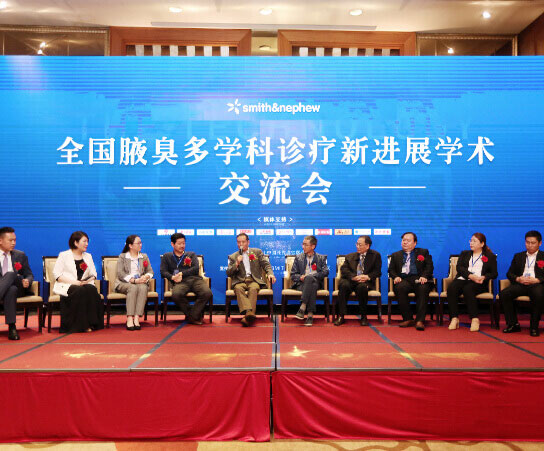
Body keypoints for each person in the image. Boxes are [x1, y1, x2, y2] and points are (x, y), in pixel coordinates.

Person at [53, 231, 104, 333]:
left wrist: (86, 281)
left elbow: (94, 274)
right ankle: (79, 326)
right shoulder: (64, 255)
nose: (87, 244)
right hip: (67, 285)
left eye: (87, 241)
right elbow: (57, 275)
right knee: (79, 290)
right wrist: (75, 282)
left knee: (91, 289)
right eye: (84, 241)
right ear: (76, 243)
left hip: (84, 284)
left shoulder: (88, 256)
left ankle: (92, 323)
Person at [447, 233, 497, 332]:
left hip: (478, 282)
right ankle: (454, 318)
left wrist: (484, 277)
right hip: (464, 278)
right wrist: (470, 275)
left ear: (482, 244)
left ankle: (474, 319)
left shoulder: (490, 256)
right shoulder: (464, 253)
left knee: (468, 289)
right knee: (452, 288)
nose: (471, 243)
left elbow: (494, 273)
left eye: (474, 241)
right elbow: (459, 268)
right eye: (471, 241)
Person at [160, 233, 212, 325]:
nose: (182, 246)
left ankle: (192, 316)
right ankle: (194, 315)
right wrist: (172, 277)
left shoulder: (191, 254)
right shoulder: (167, 256)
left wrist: (182, 273)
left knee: (207, 293)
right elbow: (163, 272)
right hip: (180, 282)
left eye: (183, 243)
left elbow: (196, 269)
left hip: (195, 280)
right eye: (179, 243)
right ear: (172, 244)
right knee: (176, 295)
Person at [226, 233, 276, 327]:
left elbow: (266, 265)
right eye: (239, 242)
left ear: (248, 242)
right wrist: (236, 263)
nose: (241, 244)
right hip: (240, 281)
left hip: (253, 280)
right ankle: (250, 314)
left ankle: (247, 316)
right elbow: (228, 273)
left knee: (253, 289)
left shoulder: (257, 252)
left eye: (243, 242)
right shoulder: (233, 256)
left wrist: (270, 274)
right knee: (238, 289)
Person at [502, 230, 544, 337]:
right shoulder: (518, 256)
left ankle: (534, 326)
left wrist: (537, 280)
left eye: (533, 243)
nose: (530, 245)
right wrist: (518, 279)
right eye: (527, 242)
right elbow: (509, 273)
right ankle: (513, 324)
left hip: (537, 285)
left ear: (540, 243)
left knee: (538, 294)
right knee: (504, 294)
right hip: (521, 284)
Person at [389, 232, 434, 331]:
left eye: (408, 240)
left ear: (415, 243)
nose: (405, 242)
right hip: (404, 279)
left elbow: (429, 266)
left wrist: (424, 276)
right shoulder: (396, 255)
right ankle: (408, 318)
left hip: (419, 279)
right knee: (399, 287)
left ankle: (420, 320)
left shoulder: (423, 252)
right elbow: (391, 270)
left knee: (423, 288)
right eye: (403, 240)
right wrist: (396, 277)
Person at [334, 235, 382, 327]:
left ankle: (363, 316)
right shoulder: (350, 256)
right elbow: (344, 269)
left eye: (360, 245)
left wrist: (367, 277)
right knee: (343, 285)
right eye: (357, 244)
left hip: (364, 281)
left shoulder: (375, 256)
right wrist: (353, 277)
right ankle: (341, 316)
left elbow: (377, 272)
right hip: (350, 280)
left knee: (362, 287)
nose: (357, 246)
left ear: (367, 246)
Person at [0, 227, 34, 340]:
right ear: (0, 241)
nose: (13, 243)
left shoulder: (20, 255)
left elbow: (29, 274)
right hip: (7, 288)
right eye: (10, 240)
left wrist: (27, 281)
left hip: (19, 286)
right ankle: (12, 328)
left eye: (15, 240)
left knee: (11, 274)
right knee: (11, 290)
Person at [114, 235, 153, 331]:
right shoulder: (123, 256)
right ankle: (129, 318)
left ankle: (136, 317)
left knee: (143, 287)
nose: (140, 245)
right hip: (124, 283)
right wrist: (133, 280)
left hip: (140, 283)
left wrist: (146, 276)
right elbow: (120, 273)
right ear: (130, 245)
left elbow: (150, 271)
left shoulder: (144, 256)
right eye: (138, 243)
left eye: (141, 243)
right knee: (133, 287)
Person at [291, 235, 329, 327]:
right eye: (303, 244)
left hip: (316, 282)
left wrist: (311, 276)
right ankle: (310, 315)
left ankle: (303, 306)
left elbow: (325, 272)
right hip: (302, 284)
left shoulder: (321, 258)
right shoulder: (298, 258)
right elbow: (293, 274)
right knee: (312, 284)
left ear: (313, 246)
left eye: (305, 245)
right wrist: (300, 277)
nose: (303, 246)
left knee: (310, 279)